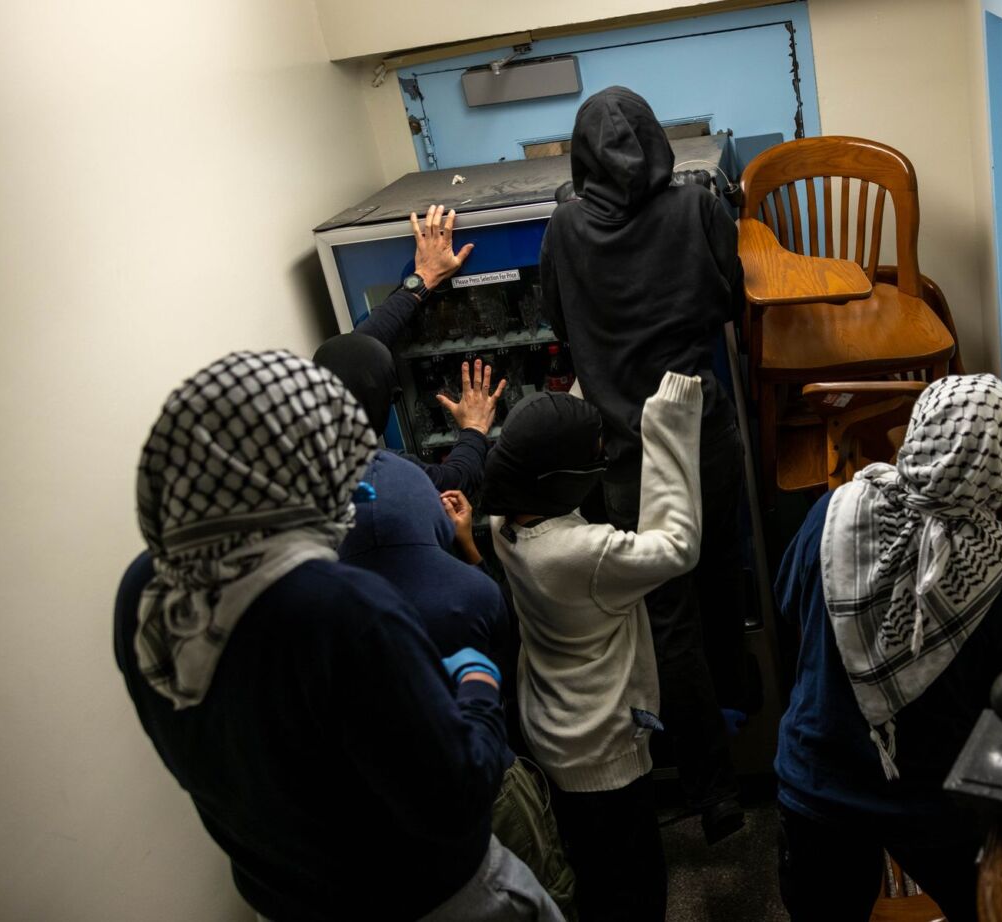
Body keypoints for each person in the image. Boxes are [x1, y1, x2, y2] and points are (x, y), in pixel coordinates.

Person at [113, 350, 561, 922]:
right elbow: (459, 797)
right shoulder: (343, 608)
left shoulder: (142, 592)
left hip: (285, 900)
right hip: (428, 899)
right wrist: (476, 682)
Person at [772, 375, 1002, 922]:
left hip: (816, 785)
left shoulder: (834, 511)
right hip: (938, 806)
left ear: (916, 434)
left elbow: (788, 603)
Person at [538, 85, 746, 841]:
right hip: (704, 434)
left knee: (670, 619)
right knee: (724, 574)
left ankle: (711, 787)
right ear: (658, 140)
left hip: (629, 455)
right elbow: (731, 300)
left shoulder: (565, 228)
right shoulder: (698, 207)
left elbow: (557, 320)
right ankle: (748, 722)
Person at [482, 371, 705, 922]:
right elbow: (677, 546)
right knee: (633, 892)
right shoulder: (582, 554)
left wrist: (590, 376)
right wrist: (667, 419)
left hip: (554, 731)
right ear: (564, 476)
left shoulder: (502, 522)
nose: (603, 456)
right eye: (596, 452)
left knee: (593, 875)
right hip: (603, 753)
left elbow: (547, 437)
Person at [339, 450, 577, 920]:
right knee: (544, 890)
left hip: (395, 802)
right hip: (489, 779)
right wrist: (467, 548)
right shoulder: (470, 593)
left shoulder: (326, 608)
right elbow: (505, 667)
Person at [314, 204, 505, 502]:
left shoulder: (304, 411)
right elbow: (453, 481)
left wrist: (423, 278)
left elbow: (360, 347)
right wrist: (475, 428)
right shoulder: (376, 473)